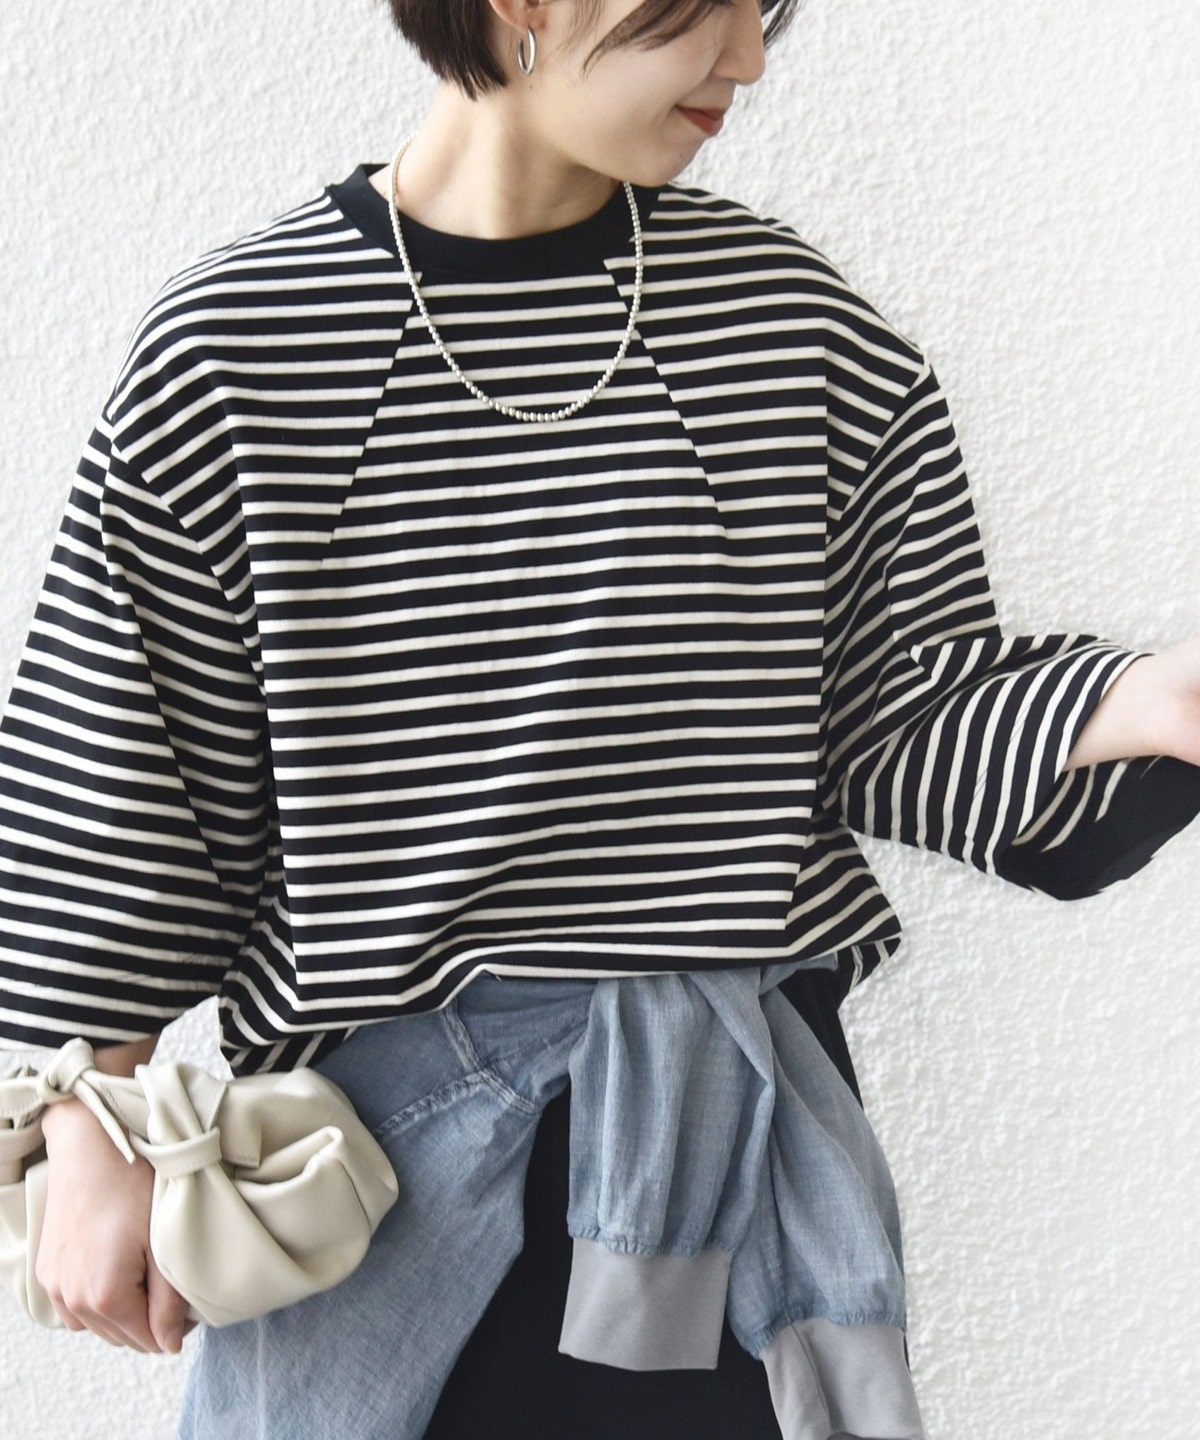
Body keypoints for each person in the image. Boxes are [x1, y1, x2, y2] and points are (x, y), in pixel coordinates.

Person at [1, 1, 1198, 1436]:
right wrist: (80, 1122)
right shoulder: (238, 347)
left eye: (764, 8)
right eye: (702, 8)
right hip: (379, 1201)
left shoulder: (788, 328)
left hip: (731, 1184)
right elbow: (122, 771)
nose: (748, 59)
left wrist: (1144, 702)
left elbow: (900, 714)